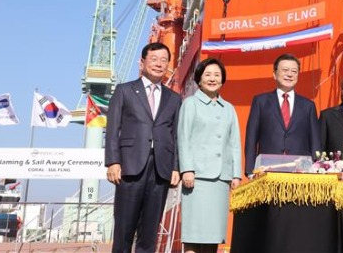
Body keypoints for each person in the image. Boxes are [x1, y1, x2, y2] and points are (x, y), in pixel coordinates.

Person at [105, 42, 182, 253]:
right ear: (142, 62)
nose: (159, 64)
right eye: (154, 59)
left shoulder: (174, 99)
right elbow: (113, 128)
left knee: (149, 232)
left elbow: (175, 136)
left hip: (160, 169)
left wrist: (175, 167)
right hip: (130, 166)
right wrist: (113, 161)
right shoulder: (125, 91)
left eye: (164, 60)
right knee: (124, 230)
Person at [177, 58, 242, 253]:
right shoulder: (190, 104)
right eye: (208, 75)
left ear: (223, 79)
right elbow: (183, 138)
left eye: (217, 75)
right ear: (199, 79)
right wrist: (187, 169)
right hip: (198, 178)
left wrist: (236, 174)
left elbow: (234, 143)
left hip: (221, 179)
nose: (212, 78)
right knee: (194, 236)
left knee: (214, 236)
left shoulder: (229, 108)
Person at [244, 53, 321, 175]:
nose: (289, 74)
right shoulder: (261, 102)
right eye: (285, 70)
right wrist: (250, 170)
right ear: (274, 74)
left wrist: (316, 168)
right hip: (267, 169)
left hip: (300, 170)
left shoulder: (308, 105)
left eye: (294, 71)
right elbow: (251, 138)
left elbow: (315, 141)